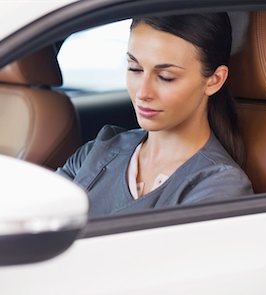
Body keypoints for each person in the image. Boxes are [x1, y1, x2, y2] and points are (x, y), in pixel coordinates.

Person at [57, 13, 253, 217]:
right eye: (135, 69)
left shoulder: (220, 186)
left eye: (165, 77)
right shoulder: (100, 151)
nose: (142, 93)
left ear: (214, 80)